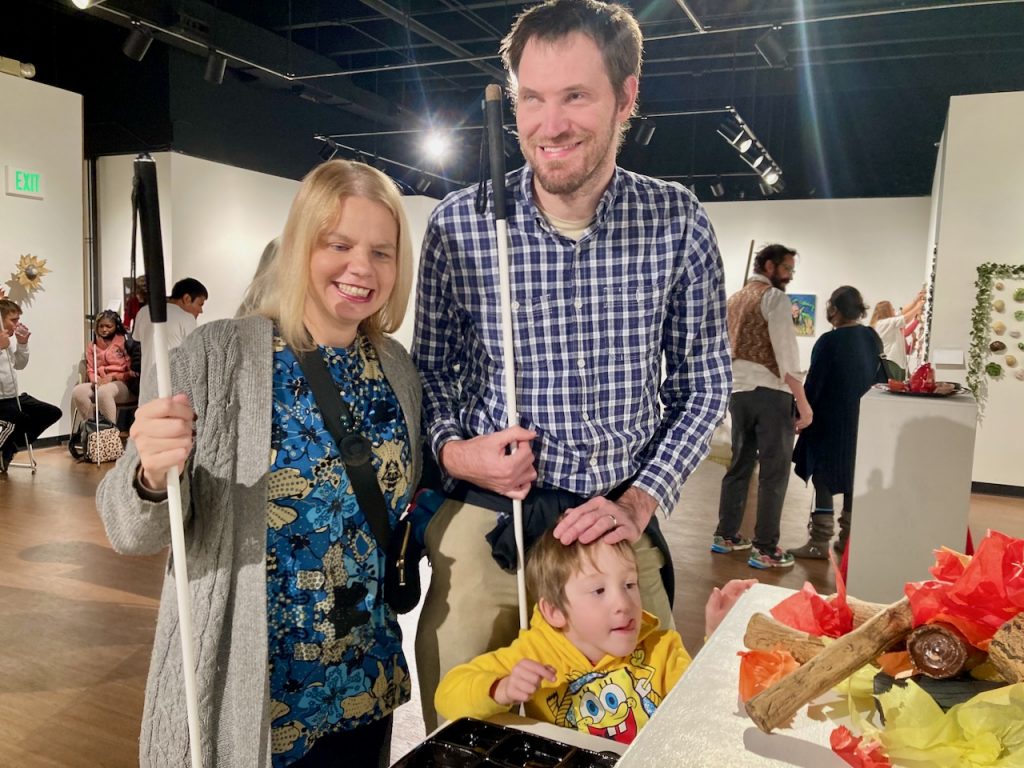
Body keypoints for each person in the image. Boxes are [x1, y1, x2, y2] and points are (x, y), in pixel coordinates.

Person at [412, 0, 731, 730]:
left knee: (650, 733)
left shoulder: (676, 223)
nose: (549, 124)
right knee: (466, 731)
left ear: (627, 97)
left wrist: (641, 500)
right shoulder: (459, 225)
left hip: (614, 528)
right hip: (489, 521)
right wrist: (460, 454)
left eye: (576, 96)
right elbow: (433, 375)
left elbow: (703, 384)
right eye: (533, 97)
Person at [96, 160, 421, 768]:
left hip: (364, 680)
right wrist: (149, 473)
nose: (362, 268)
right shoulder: (219, 355)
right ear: (301, 247)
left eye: (383, 251)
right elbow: (129, 528)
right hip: (254, 686)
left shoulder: (397, 370)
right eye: (340, 244)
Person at [435, 522, 754, 744]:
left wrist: (719, 637)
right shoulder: (535, 652)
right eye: (599, 590)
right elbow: (447, 696)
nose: (623, 603)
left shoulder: (662, 647)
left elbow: (705, 708)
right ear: (554, 611)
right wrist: (500, 689)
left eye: (630, 584)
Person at [712, 244, 812, 569]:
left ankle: (726, 535)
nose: (790, 275)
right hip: (771, 394)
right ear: (770, 266)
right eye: (787, 269)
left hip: (738, 394)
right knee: (774, 472)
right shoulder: (775, 298)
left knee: (739, 466)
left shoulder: (735, 299)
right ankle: (766, 549)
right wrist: (803, 403)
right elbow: (786, 356)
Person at [790, 286, 886, 558]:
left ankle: (819, 543)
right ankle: (848, 542)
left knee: (823, 479)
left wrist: (800, 412)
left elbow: (815, 383)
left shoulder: (828, 341)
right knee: (855, 478)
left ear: (834, 309)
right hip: (861, 422)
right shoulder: (871, 337)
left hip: (829, 421)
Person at [0, 298, 62, 471]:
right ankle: (6, 448)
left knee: (51, 412)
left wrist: (22, 344)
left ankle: (9, 447)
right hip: (1, 401)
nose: (17, 324)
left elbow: (19, 364)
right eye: (13, 320)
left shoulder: (7, 340)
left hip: (14, 397)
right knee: (21, 420)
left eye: (18, 319)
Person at [132, 277, 208, 402]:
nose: (201, 310)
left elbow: (137, 338)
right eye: (200, 304)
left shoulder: (143, 312)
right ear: (187, 298)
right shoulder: (187, 318)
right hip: (173, 394)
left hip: (146, 393)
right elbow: (195, 356)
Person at [71, 310, 139, 425]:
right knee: (78, 391)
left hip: (123, 383)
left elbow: (131, 371)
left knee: (104, 392)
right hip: (100, 382)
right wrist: (96, 381)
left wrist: (112, 378)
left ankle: (109, 435)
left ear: (116, 326)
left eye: (108, 326)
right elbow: (91, 369)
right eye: (101, 326)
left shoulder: (124, 342)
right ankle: (94, 430)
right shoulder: (92, 345)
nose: (104, 329)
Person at [869, 289, 925, 376]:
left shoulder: (885, 322)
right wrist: (919, 306)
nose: (894, 310)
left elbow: (903, 312)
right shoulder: (884, 323)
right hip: (892, 362)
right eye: (891, 308)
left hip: (895, 362)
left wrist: (916, 301)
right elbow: (905, 319)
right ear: (886, 311)